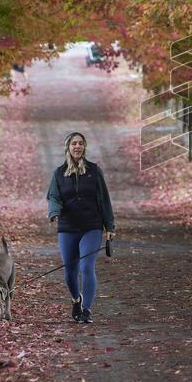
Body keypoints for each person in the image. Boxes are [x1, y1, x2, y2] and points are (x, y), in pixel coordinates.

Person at [46, 132, 116, 323]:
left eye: (81, 144)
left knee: (86, 266)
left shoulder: (94, 171)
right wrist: (54, 212)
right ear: (67, 147)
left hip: (91, 226)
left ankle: (86, 310)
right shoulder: (59, 173)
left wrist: (109, 225)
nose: (77, 146)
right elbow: (53, 196)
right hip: (68, 227)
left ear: (84, 147)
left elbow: (104, 199)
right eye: (74, 144)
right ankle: (76, 300)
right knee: (69, 272)